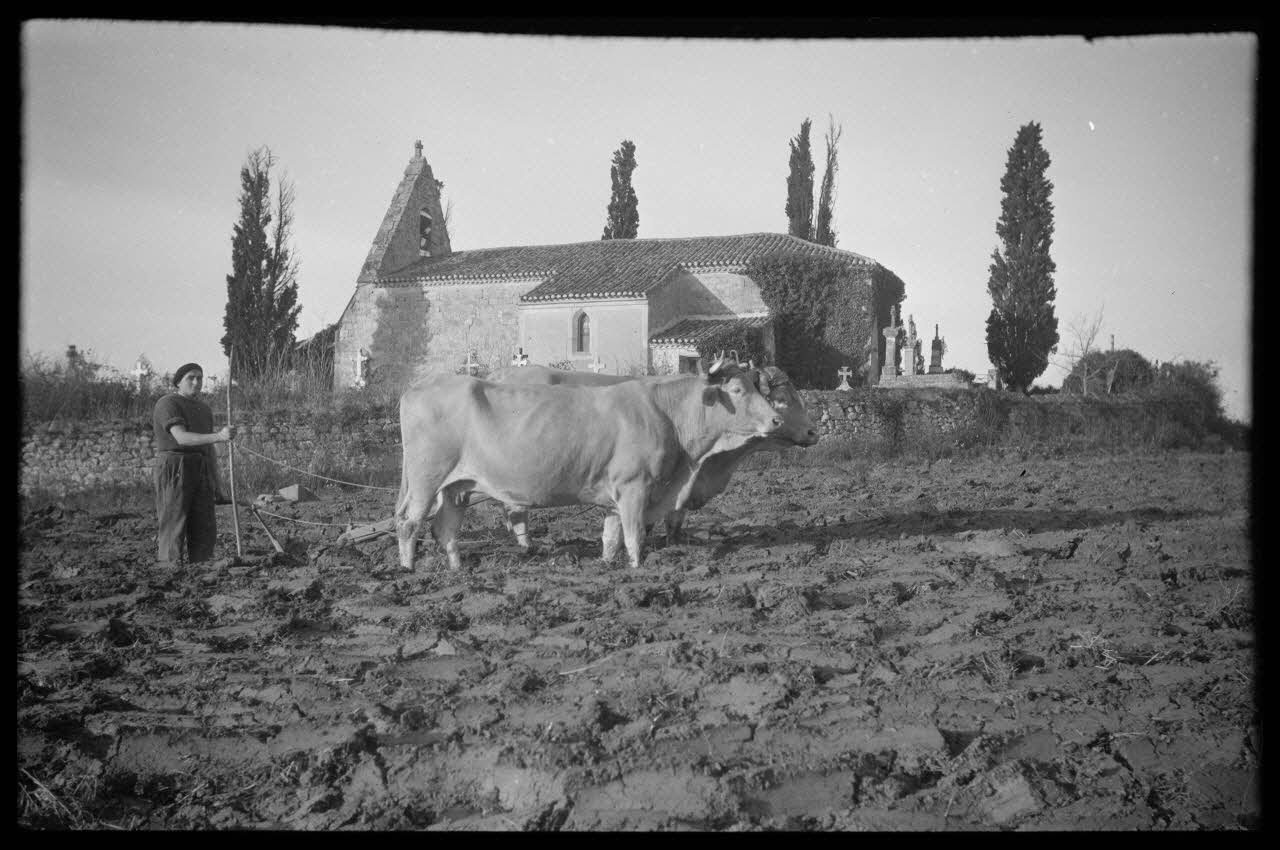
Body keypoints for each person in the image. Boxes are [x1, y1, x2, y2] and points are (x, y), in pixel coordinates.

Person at [152, 362, 235, 564]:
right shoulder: (168, 403)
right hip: (175, 465)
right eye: (191, 377)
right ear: (179, 381)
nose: (196, 382)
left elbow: (209, 449)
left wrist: (217, 484)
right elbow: (182, 437)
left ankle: (201, 572)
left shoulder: (204, 409)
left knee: (204, 526)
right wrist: (219, 436)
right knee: (174, 524)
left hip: (201, 466)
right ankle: (169, 574)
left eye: (200, 377)